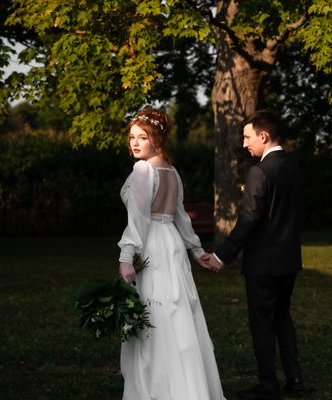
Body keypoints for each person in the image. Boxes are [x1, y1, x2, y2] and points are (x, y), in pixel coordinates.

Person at [117, 106, 226, 400]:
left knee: (155, 315)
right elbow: (180, 217)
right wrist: (195, 249)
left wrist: (126, 256)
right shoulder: (172, 171)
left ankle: (159, 389)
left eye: (143, 137)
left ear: (158, 139)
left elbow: (139, 217)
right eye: (132, 137)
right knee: (174, 314)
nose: (135, 143)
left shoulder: (143, 169)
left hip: (151, 244)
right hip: (172, 244)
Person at [203, 110, 304, 400]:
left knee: (261, 323)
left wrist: (222, 256)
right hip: (289, 259)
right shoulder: (294, 169)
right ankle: (294, 378)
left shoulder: (260, 171)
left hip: (263, 264)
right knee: (282, 317)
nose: (244, 143)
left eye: (247, 137)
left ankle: (268, 386)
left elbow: (249, 220)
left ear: (264, 136)